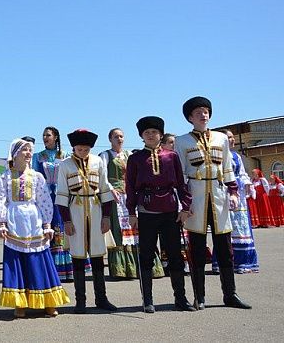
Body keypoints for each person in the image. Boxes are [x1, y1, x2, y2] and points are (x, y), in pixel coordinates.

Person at [175, 96, 251, 310]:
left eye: (206, 111)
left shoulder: (221, 138)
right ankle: (199, 296)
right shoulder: (182, 141)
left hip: (219, 197)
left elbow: (227, 168)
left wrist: (234, 192)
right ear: (190, 117)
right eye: (198, 112)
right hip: (196, 198)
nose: (203, 114)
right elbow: (180, 173)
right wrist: (184, 203)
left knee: (225, 250)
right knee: (197, 250)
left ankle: (230, 294)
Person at [125, 117, 196, 313]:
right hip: (147, 211)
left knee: (175, 255)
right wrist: (131, 212)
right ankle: (147, 300)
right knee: (146, 255)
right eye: (146, 132)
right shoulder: (135, 158)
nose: (150, 135)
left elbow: (181, 184)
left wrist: (185, 207)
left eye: (154, 132)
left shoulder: (171, 156)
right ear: (141, 136)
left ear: (160, 134)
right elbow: (130, 187)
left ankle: (180, 299)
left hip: (170, 211)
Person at [0, 140, 70, 318]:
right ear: (15, 154)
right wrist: (2, 223)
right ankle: (19, 303)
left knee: (40, 260)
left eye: (30, 150)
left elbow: (44, 201)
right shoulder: (5, 177)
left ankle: (48, 302)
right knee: (17, 262)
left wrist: (47, 225)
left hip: (33, 221)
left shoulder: (37, 177)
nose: (29, 153)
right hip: (14, 221)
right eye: (25, 150)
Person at [55, 129, 117, 314]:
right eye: (79, 148)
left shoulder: (98, 161)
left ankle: (102, 298)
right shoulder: (65, 165)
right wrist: (66, 221)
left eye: (86, 148)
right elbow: (62, 195)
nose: (82, 151)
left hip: (96, 210)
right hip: (75, 211)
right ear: (74, 147)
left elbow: (105, 190)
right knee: (78, 258)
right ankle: (80, 300)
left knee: (98, 257)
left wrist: (106, 217)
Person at [100, 128, 164, 280]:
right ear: (110, 139)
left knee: (136, 230)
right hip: (116, 197)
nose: (119, 139)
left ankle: (143, 266)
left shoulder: (130, 155)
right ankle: (122, 269)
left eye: (121, 136)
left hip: (130, 195)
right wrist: (110, 189)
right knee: (119, 231)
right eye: (116, 136)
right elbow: (102, 175)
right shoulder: (106, 155)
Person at [32, 126, 76, 282]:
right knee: (48, 228)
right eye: (43, 135)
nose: (45, 137)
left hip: (62, 197)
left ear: (56, 137)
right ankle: (50, 269)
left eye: (48, 135)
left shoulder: (65, 156)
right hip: (45, 198)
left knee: (63, 226)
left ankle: (67, 268)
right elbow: (35, 178)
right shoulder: (37, 157)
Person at [211, 130, 259, 274]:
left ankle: (243, 262)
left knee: (241, 227)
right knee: (225, 227)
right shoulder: (217, 155)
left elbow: (242, 174)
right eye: (228, 138)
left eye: (232, 137)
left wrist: (247, 183)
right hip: (223, 192)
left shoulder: (237, 156)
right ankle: (224, 262)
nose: (231, 140)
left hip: (238, 194)